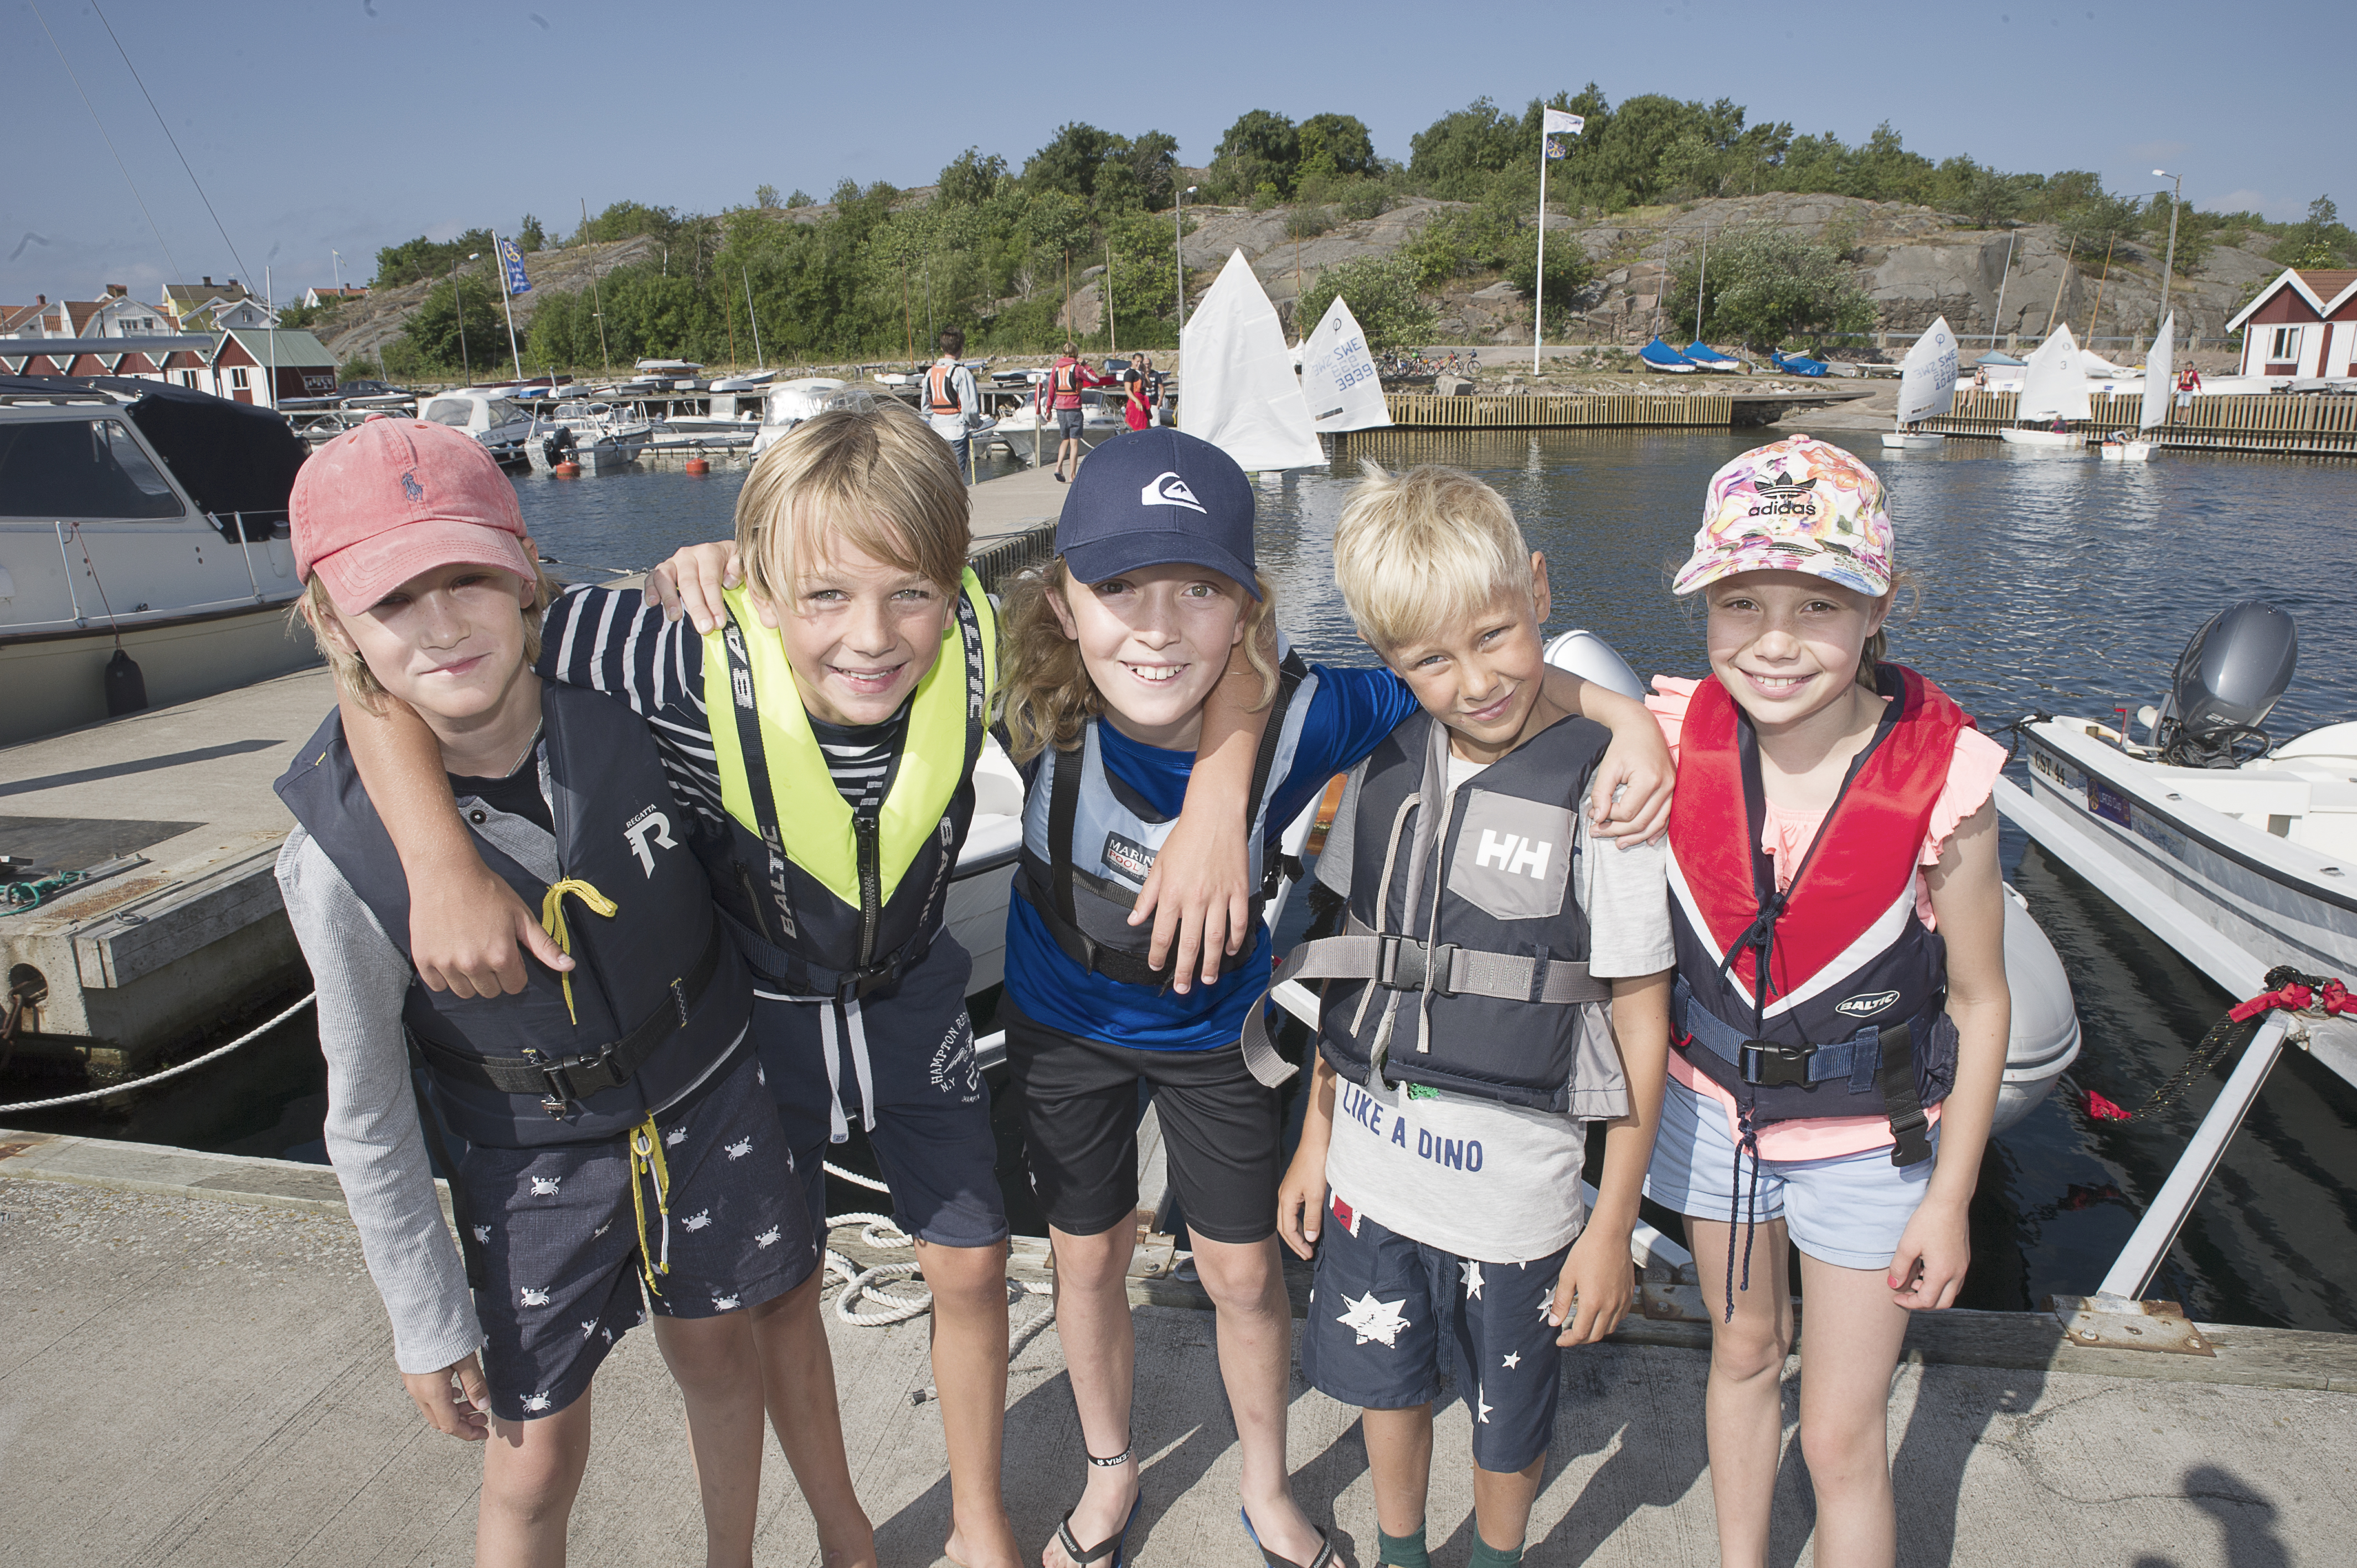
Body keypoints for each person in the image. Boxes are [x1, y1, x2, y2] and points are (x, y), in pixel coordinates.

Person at [340, 403, 1273, 1568]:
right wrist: (435, 859)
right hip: (751, 1016)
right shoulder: (670, 649)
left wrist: (1223, 798)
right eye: (824, 597)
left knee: (974, 1261)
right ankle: (844, 1529)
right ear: (766, 595)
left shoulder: (986, 648)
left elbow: (1233, 656)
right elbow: (392, 669)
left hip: (914, 994)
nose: (871, 639)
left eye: (909, 595)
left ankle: (980, 1524)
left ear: (953, 586)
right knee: (779, 1290)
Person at [994, 429, 1677, 1568]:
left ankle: (1266, 1485)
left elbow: (1453, 673)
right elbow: (863, 631)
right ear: (1064, 605)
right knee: (1084, 1257)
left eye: (1199, 591)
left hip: (1213, 1030)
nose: (1158, 627)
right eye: (1118, 590)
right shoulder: (1026, 705)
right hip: (1060, 1022)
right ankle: (1110, 1471)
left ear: (1246, 609)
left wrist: (1628, 718)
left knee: (1246, 1270)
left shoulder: (1319, 712)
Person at [275, 417, 811, 1566]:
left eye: (468, 578)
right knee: (530, 1456)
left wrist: (717, 563)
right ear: (332, 624)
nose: (441, 624)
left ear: (525, 574)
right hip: (527, 1156)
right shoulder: (334, 863)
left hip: (706, 1096)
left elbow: (778, 638)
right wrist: (425, 1320)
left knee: (721, 1358)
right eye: (393, 601)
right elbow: (366, 1113)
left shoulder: (627, 696)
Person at [1273, 464, 1672, 1568]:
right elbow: (1355, 971)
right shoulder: (1384, 765)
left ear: (1539, 590)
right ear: (1395, 666)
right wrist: (1314, 1138)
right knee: (1383, 1389)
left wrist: (1610, 1226)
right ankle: (1401, 1553)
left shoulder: (1607, 790)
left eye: (1495, 636)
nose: (1474, 681)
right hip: (1372, 1173)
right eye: (1429, 662)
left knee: (1507, 1425)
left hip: (1518, 1204)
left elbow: (1642, 1023)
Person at [1641, 435, 2010, 1566]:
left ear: (1878, 605)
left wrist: (1948, 1202)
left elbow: (1982, 1001)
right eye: (1741, 602)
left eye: (1818, 605)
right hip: (1714, 1123)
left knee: (1845, 1432)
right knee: (1743, 1355)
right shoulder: (1662, 734)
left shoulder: (1946, 784)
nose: (1775, 642)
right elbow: (1529, 689)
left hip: (1872, 1145)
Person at [1040, 341, 1105, 483]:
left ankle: (1058, 467)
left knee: (1065, 439)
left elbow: (1051, 389)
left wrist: (1049, 409)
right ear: (1076, 354)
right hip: (1074, 407)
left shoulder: (1056, 368)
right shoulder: (1077, 368)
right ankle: (1072, 475)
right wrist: (1085, 364)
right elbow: (1095, 379)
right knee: (1074, 442)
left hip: (1061, 408)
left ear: (1063, 353)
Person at [927, 327, 982, 482]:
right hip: (956, 432)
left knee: (939, 477)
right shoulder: (962, 373)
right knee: (956, 478)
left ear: (942, 348)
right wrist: (976, 423)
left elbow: (926, 407)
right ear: (960, 349)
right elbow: (970, 409)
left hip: (936, 430)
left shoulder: (930, 373)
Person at [1120, 355, 1152, 433]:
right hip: (1135, 402)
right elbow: (1128, 390)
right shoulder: (1130, 373)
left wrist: (1145, 372)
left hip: (1143, 401)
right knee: (1140, 427)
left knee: (1147, 426)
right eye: (1137, 361)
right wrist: (1137, 401)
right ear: (1133, 361)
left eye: (1141, 362)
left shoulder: (1141, 373)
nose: (1139, 364)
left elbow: (1150, 385)